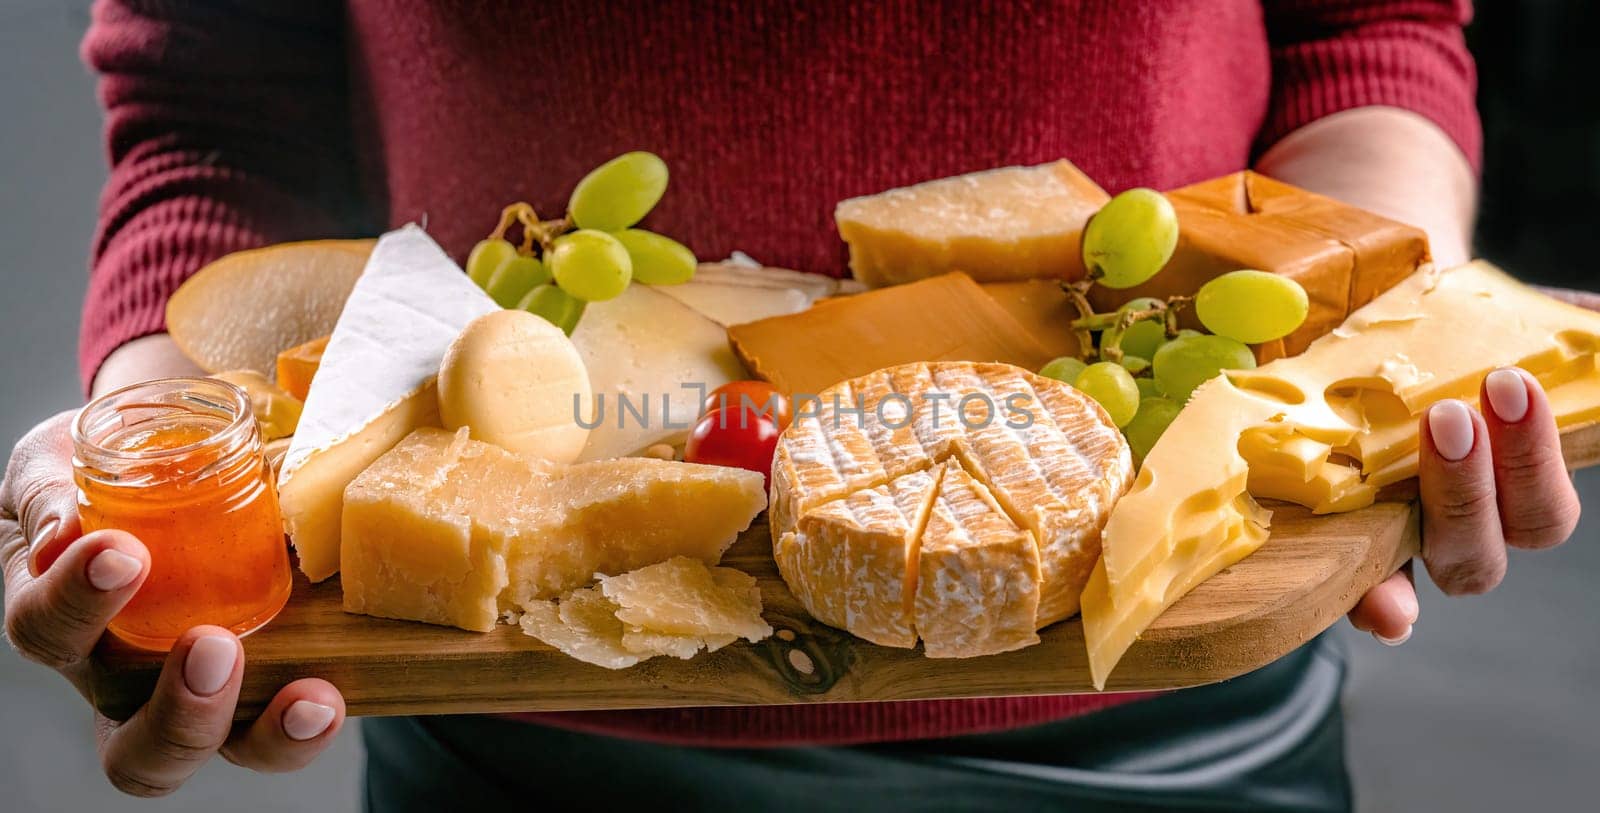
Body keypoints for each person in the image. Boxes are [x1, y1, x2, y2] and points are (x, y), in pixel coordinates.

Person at [1, 1, 1587, 810]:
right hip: (520, 732)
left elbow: (1364, 30)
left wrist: (1383, 352)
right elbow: (211, 112)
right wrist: (148, 445)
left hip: (1172, 716)